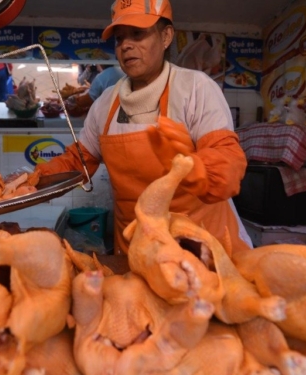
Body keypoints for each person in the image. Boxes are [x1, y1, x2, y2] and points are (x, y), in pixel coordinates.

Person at [35, 0, 253, 255]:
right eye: (119, 38)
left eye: (138, 34)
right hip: (138, 251)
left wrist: (199, 169)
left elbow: (226, 157)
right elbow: (78, 162)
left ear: (166, 36)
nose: (126, 45)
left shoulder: (196, 88)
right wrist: (34, 179)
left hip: (202, 248)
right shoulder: (105, 103)